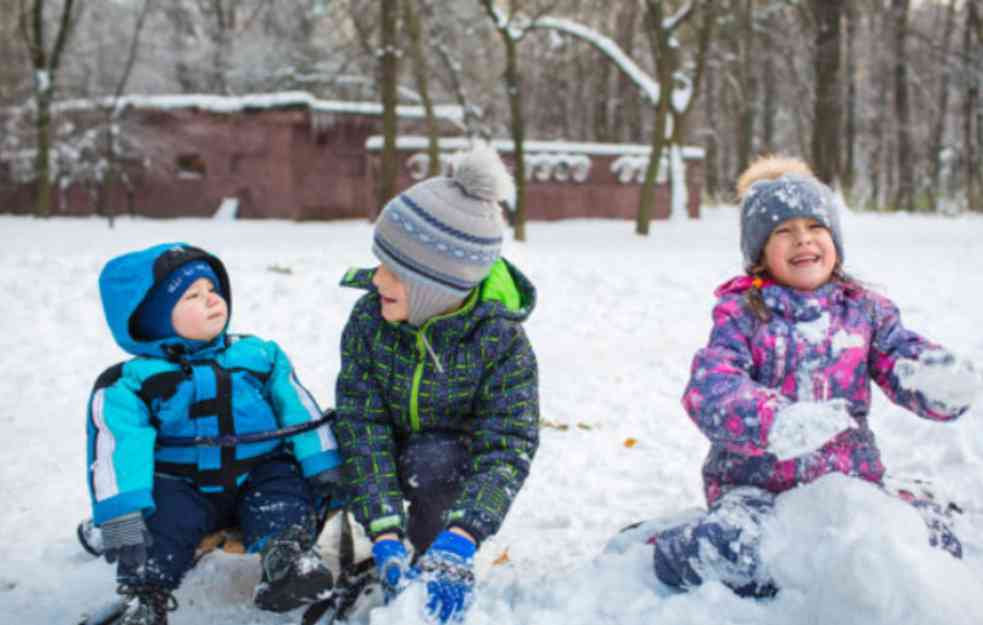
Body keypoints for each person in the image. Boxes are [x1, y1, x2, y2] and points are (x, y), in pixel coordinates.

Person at [628, 155, 978, 597]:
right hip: (756, 490)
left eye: (815, 227)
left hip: (845, 485)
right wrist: (775, 420)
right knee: (737, 554)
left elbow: (899, 354)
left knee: (925, 546)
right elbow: (710, 388)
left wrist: (935, 381)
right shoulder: (741, 315)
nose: (803, 241)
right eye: (783, 231)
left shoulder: (865, 311)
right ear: (759, 252)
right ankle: (666, 546)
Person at [333, 145, 539, 623]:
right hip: (384, 448)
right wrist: (383, 531)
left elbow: (508, 446)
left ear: (438, 286)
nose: (376, 278)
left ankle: (430, 553)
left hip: (446, 462)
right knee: (319, 444)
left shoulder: (501, 342)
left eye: (394, 272)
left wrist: (462, 534)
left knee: (437, 460)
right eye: (378, 260)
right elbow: (362, 422)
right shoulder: (369, 320)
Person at [86, 243, 343, 625]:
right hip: (180, 484)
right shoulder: (129, 383)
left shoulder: (259, 355)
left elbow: (299, 408)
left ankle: (288, 559)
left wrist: (323, 461)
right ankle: (146, 597)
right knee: (160, 526)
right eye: (192, 295)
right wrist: (120, 512)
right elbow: (117, 450)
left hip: (258, 471)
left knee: (284, 493)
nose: (211, 301)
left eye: (213, 290)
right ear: (151, 319)